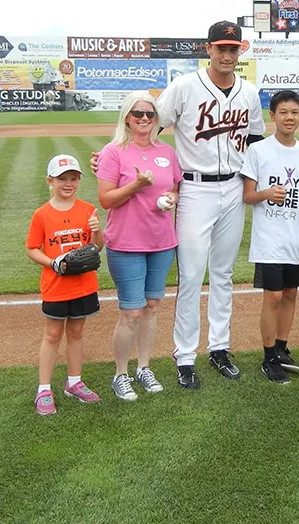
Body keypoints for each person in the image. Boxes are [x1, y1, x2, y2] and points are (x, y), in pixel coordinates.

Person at [90, 20, 265, 390]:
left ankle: (219, 348)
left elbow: (255, 140)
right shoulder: (185, 87)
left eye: (233, 49)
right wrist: (111, 158)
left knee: (222, 274)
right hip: (195, 190)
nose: (227, 55)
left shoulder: (249, 93)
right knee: (191, 275)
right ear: (209, 50)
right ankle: (185, 356)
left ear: (240, 51)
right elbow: (148, 126)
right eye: (221, 48)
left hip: (233, 188)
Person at [96, 92, 181, 401]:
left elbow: (173, 188)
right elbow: (106, 200)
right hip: (126, 242)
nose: (144, 119)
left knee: (151, 307)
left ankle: (144, 367)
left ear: (156, 119)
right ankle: (121, 373)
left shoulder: (166, 152)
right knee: (131, 313)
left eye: (150, 114)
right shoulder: (113, 152)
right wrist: (135, 186)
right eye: (138, 113)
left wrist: (171, 199)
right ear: (127, 117)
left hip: (161, 241)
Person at [240, 90, 299, 384]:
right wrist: (266, 194)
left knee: (290, 295)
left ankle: (282, 349)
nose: (289, 117)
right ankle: (269, 356)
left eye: (294, 112)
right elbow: (248, 196)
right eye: (283, 112)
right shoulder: (258, 151)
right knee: (272, 297)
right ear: (272, 116)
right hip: (269, 239)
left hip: (295, 241)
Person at [25, 154, 105, 415]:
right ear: (50, 181)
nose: (68, 184)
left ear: (79, 180)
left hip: (83, 285)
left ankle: (74, 382)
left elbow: (96, 248)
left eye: (73, 178)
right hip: (56, 286)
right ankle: (44, 389)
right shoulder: (42, 214)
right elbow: (32, 249)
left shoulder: (87, 209)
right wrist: (52, 263)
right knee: (52, 335)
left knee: (77, 333)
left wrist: (96, 230)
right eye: (62, 179)